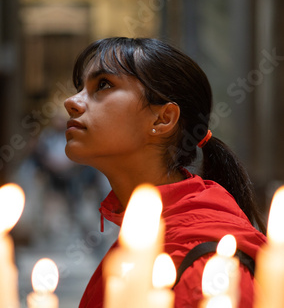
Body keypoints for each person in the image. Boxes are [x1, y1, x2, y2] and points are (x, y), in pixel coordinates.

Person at [63, 37, 267, 308]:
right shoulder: (142, 237)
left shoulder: (205, 267)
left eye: (103, 85)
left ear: (163, 118)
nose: (71, 102)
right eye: (80, 87)